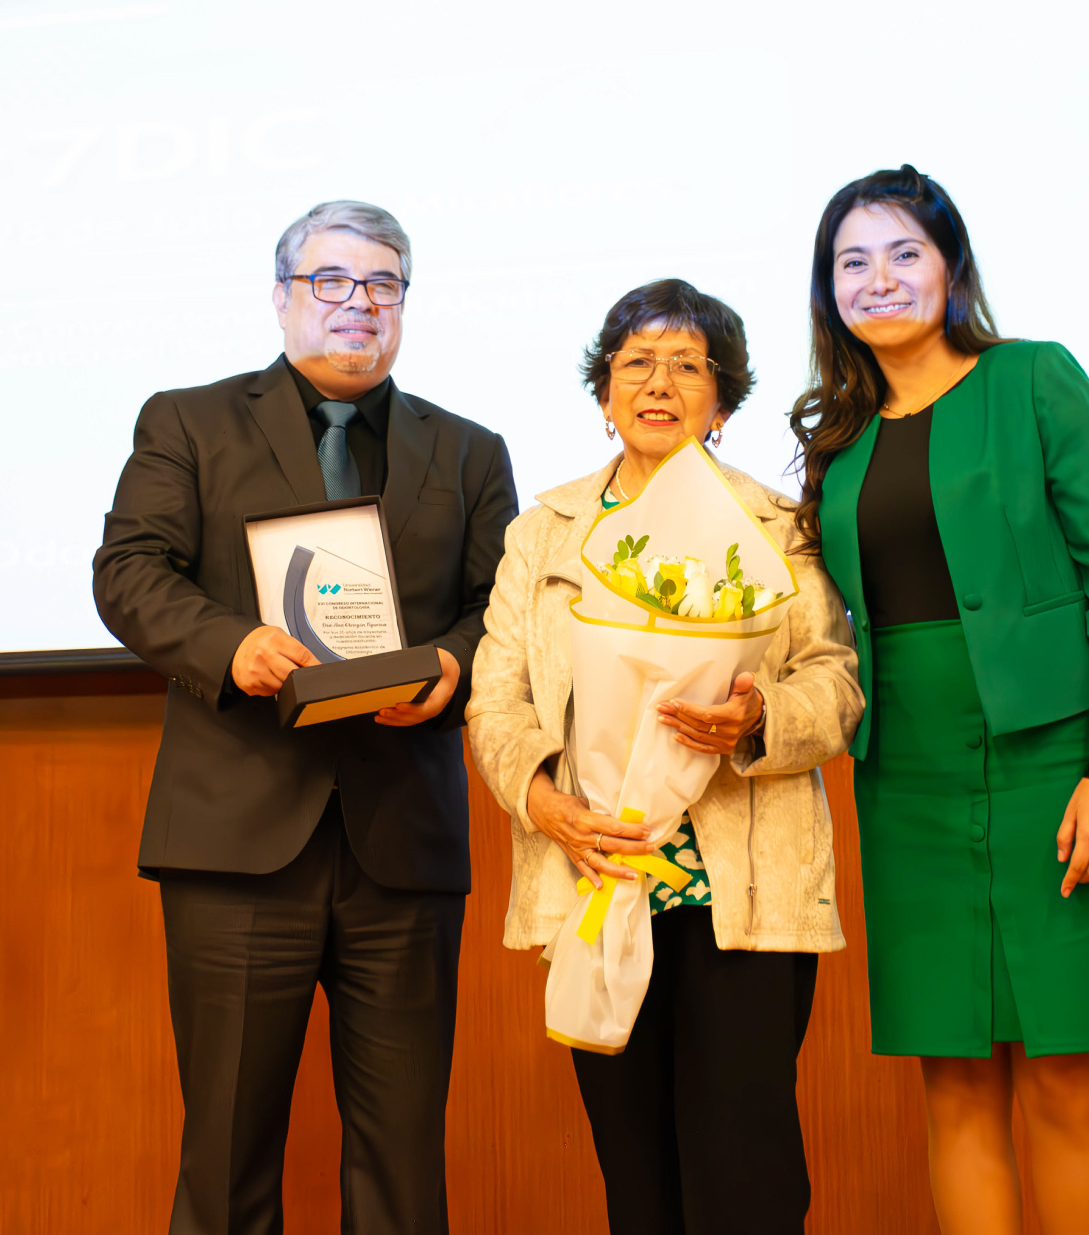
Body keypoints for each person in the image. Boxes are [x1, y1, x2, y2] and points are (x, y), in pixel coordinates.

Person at [93, 200, 517, 1234]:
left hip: (402, 846)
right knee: (228, 1153)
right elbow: (128, 571)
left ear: (404, 304)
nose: (357, 304)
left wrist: (450, 672)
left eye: (382, 284)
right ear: (283, 296)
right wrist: (227, 644)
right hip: (237, 840)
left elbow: (503, 613)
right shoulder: (188, 421)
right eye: (331, 281)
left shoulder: (467, 450)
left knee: (402, 1165)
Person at [788, 167, 1089, 1235]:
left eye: (902, 252)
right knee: (950, 1082)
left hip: (1056, 761)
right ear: (829, 293)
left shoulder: (1035, 381)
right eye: (850, 262)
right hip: (904, 772)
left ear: (950, 266)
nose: (878, 279)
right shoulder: (838, 439)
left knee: (1058, 1073)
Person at [466, 279, 862, 1235]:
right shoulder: (547, 529)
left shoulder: (775, 526)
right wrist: (543, 800)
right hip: (599, 875)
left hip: (742, 895)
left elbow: (836, 680)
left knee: (746, 1175)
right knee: (636, 1176)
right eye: (635, 363)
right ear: (603, 393)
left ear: (722, 403)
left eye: (689, 366)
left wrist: (760, 714)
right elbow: (497, 698)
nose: (659, 383)